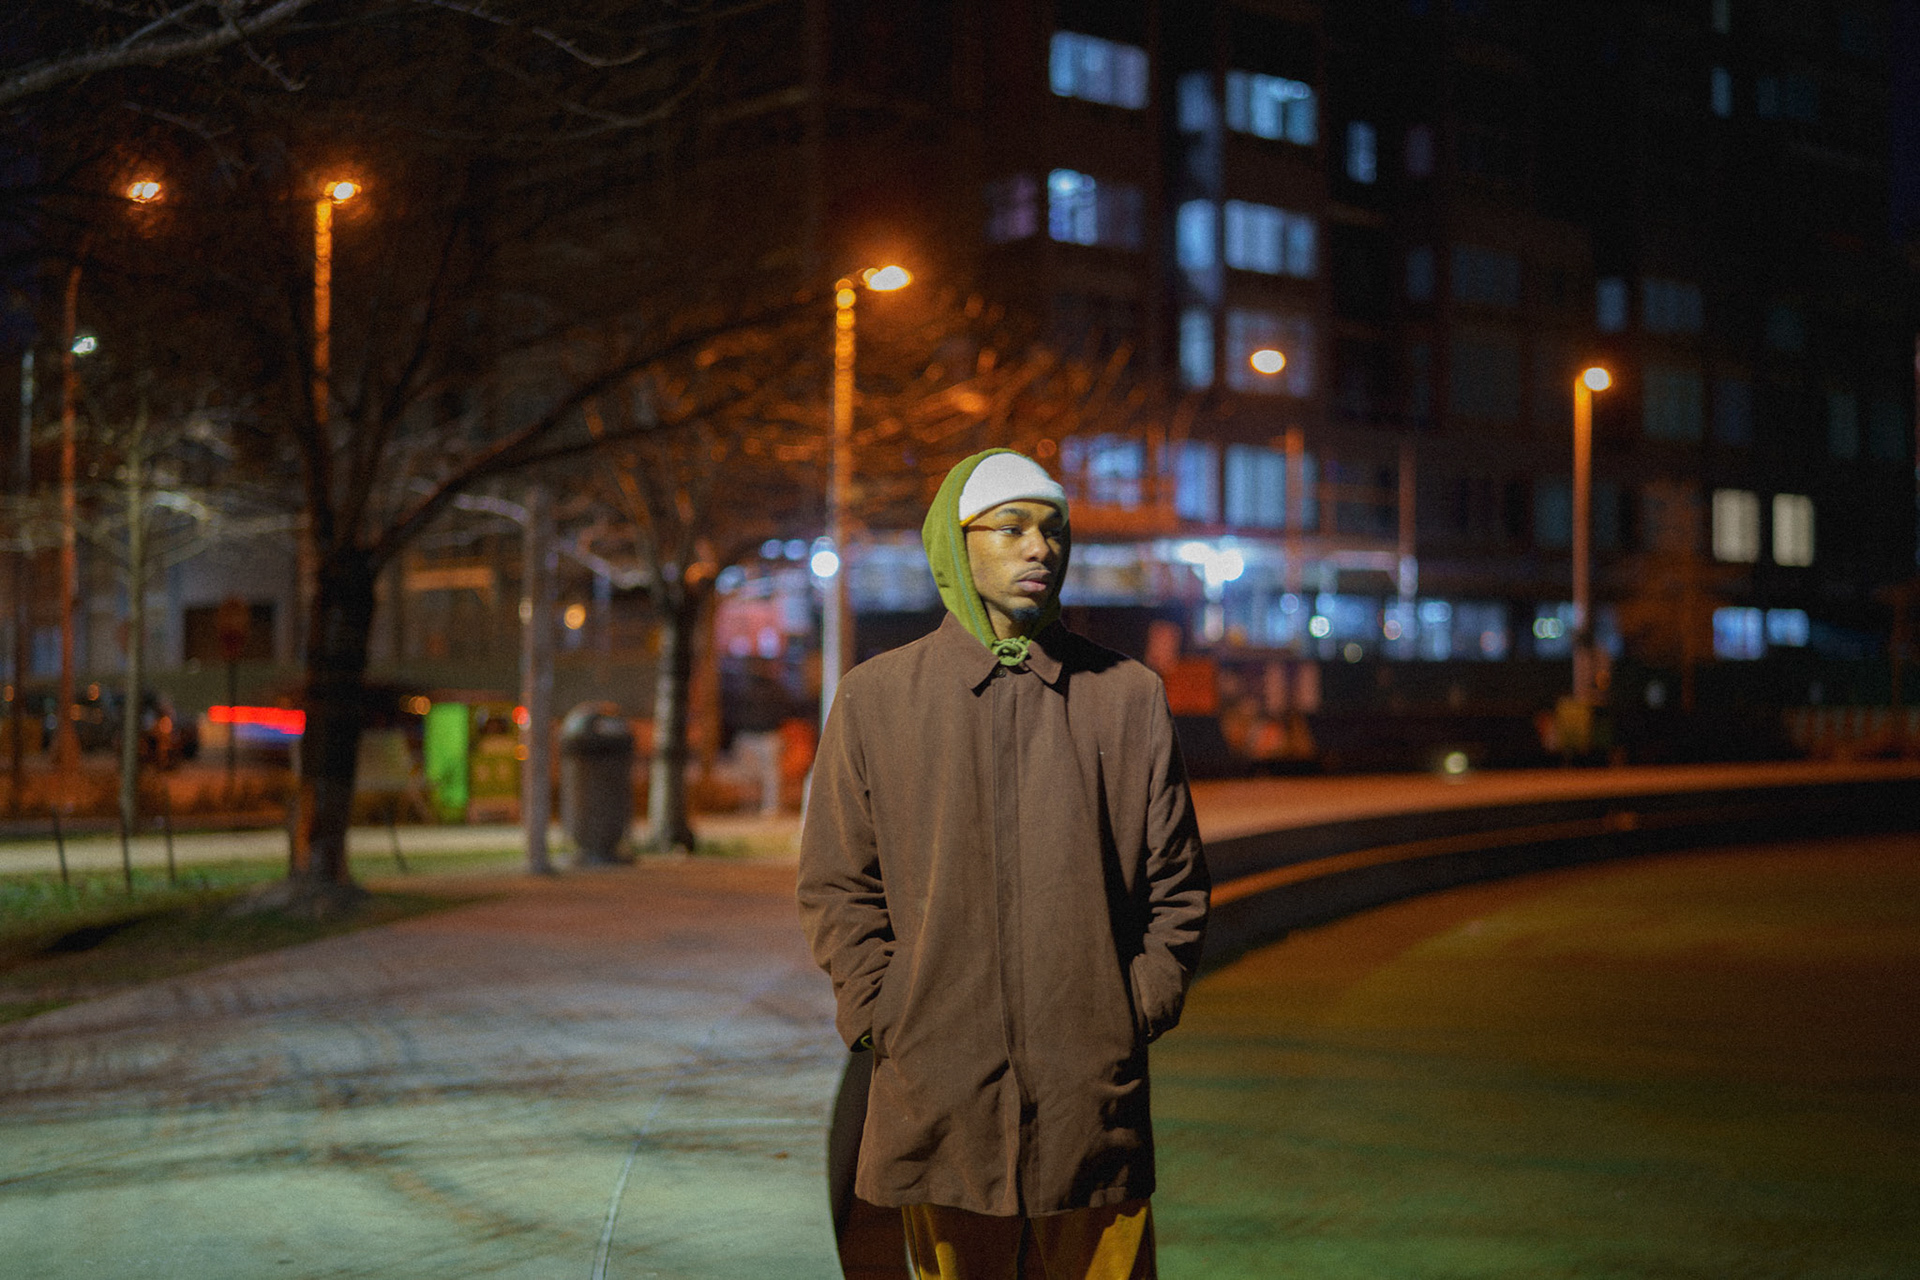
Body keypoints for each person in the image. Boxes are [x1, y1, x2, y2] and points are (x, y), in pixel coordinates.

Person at [798, 448, 1209, 1278]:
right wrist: (883, 1013)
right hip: (938, 1087)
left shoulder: (1126, 696)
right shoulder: (877, 699)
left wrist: (1133, 1008)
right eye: (1011, 527)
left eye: (1053, 530)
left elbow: (1177, 884)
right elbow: (838, 882)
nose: (1039, 548)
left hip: (1089, 1091)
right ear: (955, 545)